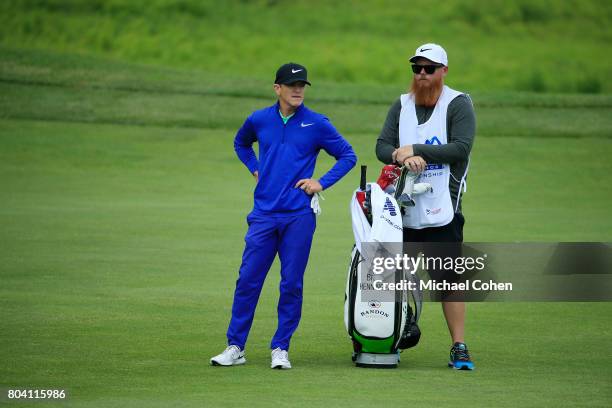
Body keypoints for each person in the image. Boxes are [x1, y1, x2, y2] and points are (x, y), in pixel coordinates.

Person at [211, 63, 357, 369]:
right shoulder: (259, 119)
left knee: (291, 283)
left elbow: (348, 155)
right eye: (292, 85)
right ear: (277, 88)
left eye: (302, 85)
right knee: (248, 280)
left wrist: (320, 183)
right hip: (263, 214)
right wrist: (255, 167)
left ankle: (281, 347)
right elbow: (241, 142)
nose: (298, 90)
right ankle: (235, 346)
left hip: (298, 217)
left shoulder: (317, 124)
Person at [375, 43, 476, 370]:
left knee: (448, 282)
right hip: (402, 206)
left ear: (443, 71)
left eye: (429, 68)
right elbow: (382, 146)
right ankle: (392, 336)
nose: (421, 74)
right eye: (417, 68)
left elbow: (460, 148)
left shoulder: (458, 104)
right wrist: (400, 155)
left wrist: (417, 150)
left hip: (443, 205)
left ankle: (458, 345)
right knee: (395, 277)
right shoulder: (401, 104)